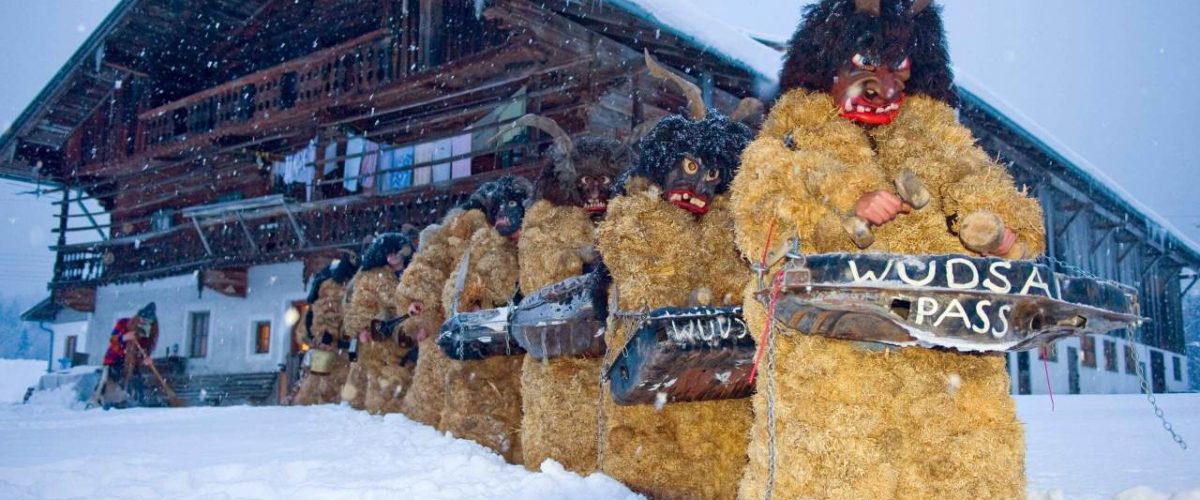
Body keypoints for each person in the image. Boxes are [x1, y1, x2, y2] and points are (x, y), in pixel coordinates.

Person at [99, 302, 159, 408]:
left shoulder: (147, 334)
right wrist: (123, 338)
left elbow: (144, 352)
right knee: (116, 385)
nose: (144, 324)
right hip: (114, 361)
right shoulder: (123, 323)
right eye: (143, 321)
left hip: (132, 364)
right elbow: (113, 340)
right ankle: (113, 404)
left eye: (148, 323)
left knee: (137, 384)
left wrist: (146, 359)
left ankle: (138, 405)